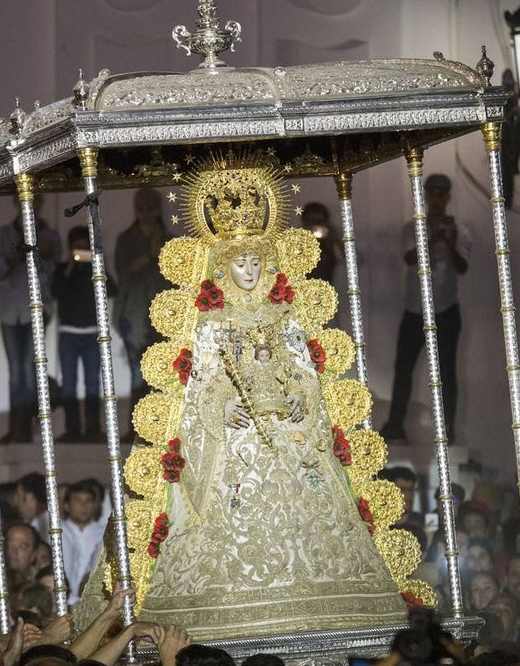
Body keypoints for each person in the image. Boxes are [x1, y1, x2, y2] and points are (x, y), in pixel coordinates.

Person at [122, 161, 407, 638]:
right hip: (236, 439)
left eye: (255, 263)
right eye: (240, 263)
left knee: (315, 505)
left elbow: (303, 369)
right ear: (223, 266)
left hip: (290, 432)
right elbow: (202, 382)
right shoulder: (210, 322)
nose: (249, 272)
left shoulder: (285, 315)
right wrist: (221, 406)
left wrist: (301, 397)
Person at [380, 173, 470, 445]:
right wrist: (433, 238)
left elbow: (463, 267)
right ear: (426, 196)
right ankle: (395, 426)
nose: (437, 200)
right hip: (414, 310)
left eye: (441, 194)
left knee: (446, 373)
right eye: (432, 193)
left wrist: (450, 240)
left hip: (446, 311)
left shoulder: (460, 231)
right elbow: (410, 258)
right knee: (403, 369)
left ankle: (447, 430)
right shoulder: (412, 228)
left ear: (448, 197)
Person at [0, 195, 61, 444]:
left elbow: (52, 272)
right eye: (21, 202)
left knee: (31, 369)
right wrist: (11, 257)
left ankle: (29, 428)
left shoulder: (49, 235)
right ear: (15, 204)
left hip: (36, 308)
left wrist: (42, 253)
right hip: (10, 311)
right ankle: (16, 427)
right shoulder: (3, 234)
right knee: (15, 371)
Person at [113, 187, 170, 441]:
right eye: (142, 209)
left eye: (151, 209)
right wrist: (149, 254)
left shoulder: (170, 241)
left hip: (164, 315)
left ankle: (161, 428)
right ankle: (135, 428)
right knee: (138, 373)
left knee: (162, 373)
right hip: (133, 314)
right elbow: (122, 272)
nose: (146, 215)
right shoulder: (125, 240)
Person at [53, 225, 105, 443]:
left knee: (93, 383)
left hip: (92, 333)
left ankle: (93, 429)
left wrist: (95, 266)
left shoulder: (96, 269)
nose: (81, 250)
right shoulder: (62, 269)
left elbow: (112, 289)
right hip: (69, 333)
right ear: (70, 246)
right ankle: (72, 429)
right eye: (78, 246)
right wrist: (70, 268)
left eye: (86, 246)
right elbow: (56, 292)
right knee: (69, 383)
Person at [61, 480, 103, 604]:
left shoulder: (104, 533)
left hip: (93, 602)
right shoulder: (57, 531)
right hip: (62, 601)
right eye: (78, 501)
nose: (84, 506)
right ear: (67, 506)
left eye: (88, 501)